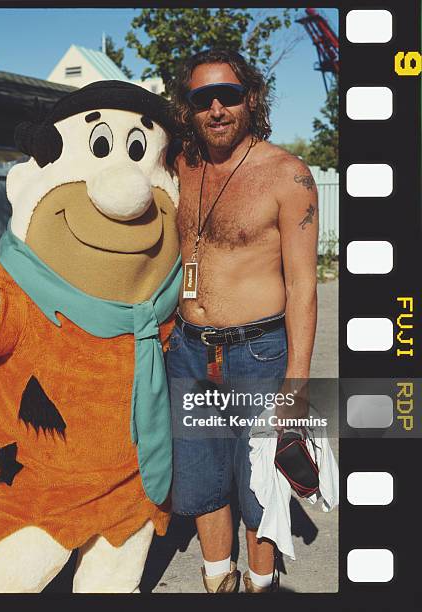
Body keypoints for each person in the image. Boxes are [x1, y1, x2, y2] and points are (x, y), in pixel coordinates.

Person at [167, 48, 318, 593]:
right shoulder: (181, 163)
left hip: (259, 351)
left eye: (227, 95)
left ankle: (260, 581)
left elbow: (303, 286)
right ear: (188, 107)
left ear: (249, 99)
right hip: (187, 347)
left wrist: (296, 386)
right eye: (201, 97)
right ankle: (217, 577)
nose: (215, 108)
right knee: (201, 472)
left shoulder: (287, 175)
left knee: (259, 478)